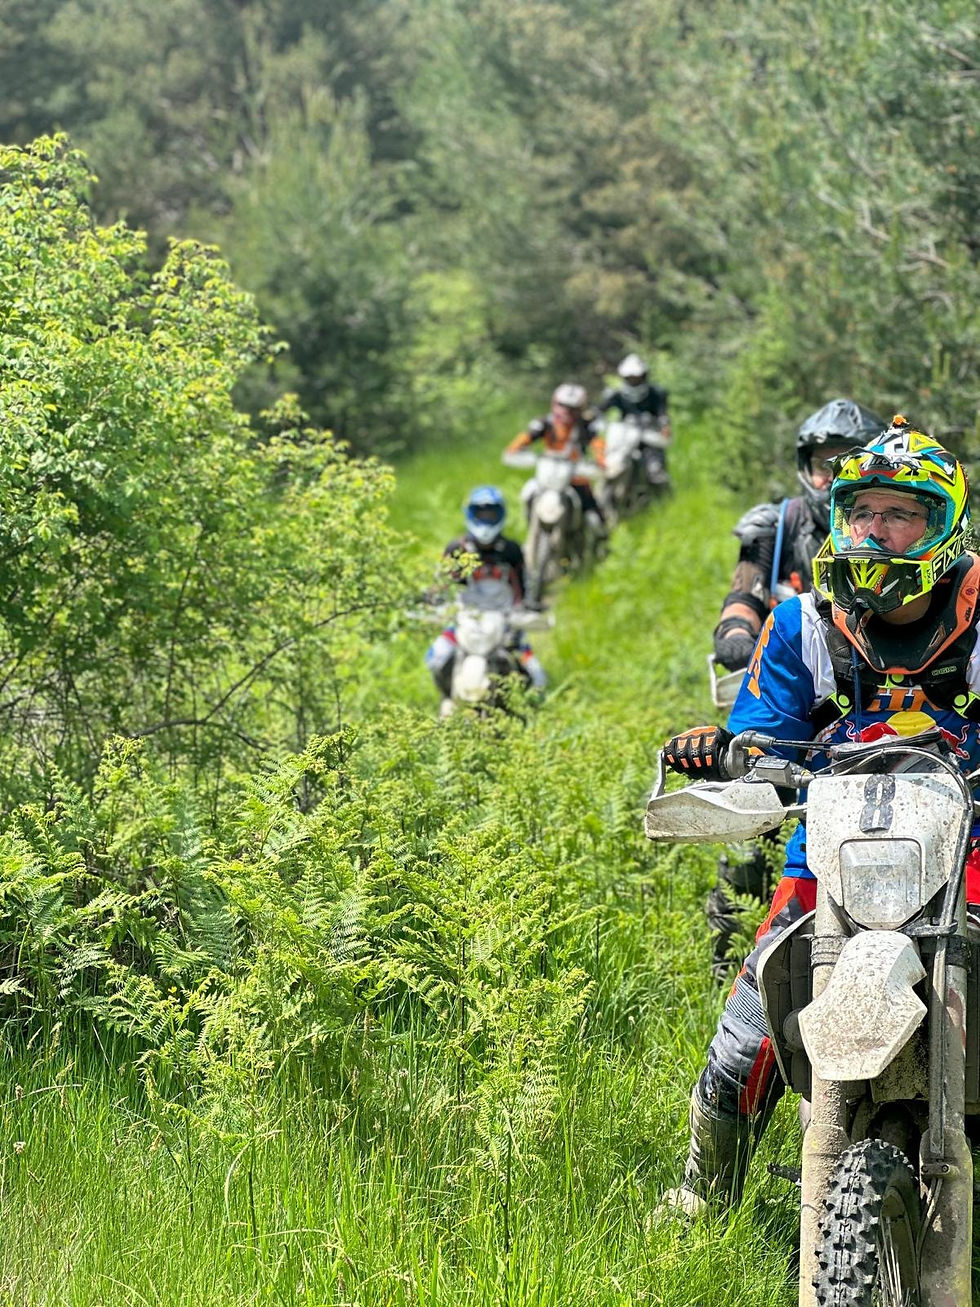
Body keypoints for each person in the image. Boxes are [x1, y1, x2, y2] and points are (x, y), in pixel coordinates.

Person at [660, 415, 980, 1214]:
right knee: (747, 1035)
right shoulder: (803, 623)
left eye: (902, 513)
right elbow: (763, 737)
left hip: (970, 848)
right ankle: (704, 1196)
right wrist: (729, 754)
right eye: (862, 511)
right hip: (831, 860)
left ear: (944, 528)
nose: (878, 529)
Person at [706, 398, 884, 979]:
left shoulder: (883, 519)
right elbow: (745, 588)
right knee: (747, 824)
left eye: (847, 462)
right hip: (790, 680)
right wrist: (738, 629)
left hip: (873, 688)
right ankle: (732, 955)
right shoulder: (779, 525)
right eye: (822, 464)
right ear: (804, 467)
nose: (832, 476)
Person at [425, 485, 547, 707]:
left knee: (537, 674)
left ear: (500, 515)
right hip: (465, 619)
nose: (486, 519)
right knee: (436, 657)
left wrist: (529, 606)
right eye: (481, 513)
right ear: (470, 514)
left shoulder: (511, 550)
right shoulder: (458, 548)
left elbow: (523, 585)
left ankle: (526, 715)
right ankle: (447, 698)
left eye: (491, 513)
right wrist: (433, 598)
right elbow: (441, 582)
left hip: (504, 621)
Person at [505, 383, 608, 537]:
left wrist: (600, 461)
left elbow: (597, 443)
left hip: (575, 475)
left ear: (580, 409)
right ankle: (531, 527)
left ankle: (601, 540)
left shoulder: (584, 426)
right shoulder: (545, 423)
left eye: (571, 408)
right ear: (554, 403)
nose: (566, 411)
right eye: (562, 405)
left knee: (592, 512)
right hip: (548, 474)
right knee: (528, 493)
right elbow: (527, 436)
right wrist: (514, 449)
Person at [598, 354, 672, 487]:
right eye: (630, 378)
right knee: (610, 463)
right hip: (624, 434)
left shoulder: (656, 393)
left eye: (636, 378)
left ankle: (663, 494)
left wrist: (665, 426)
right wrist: (591, 419)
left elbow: (663, 413)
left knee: (656, 471)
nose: (633, 381)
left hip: (649, 433)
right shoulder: (616, 394)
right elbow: (600, 410)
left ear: (644, 376)